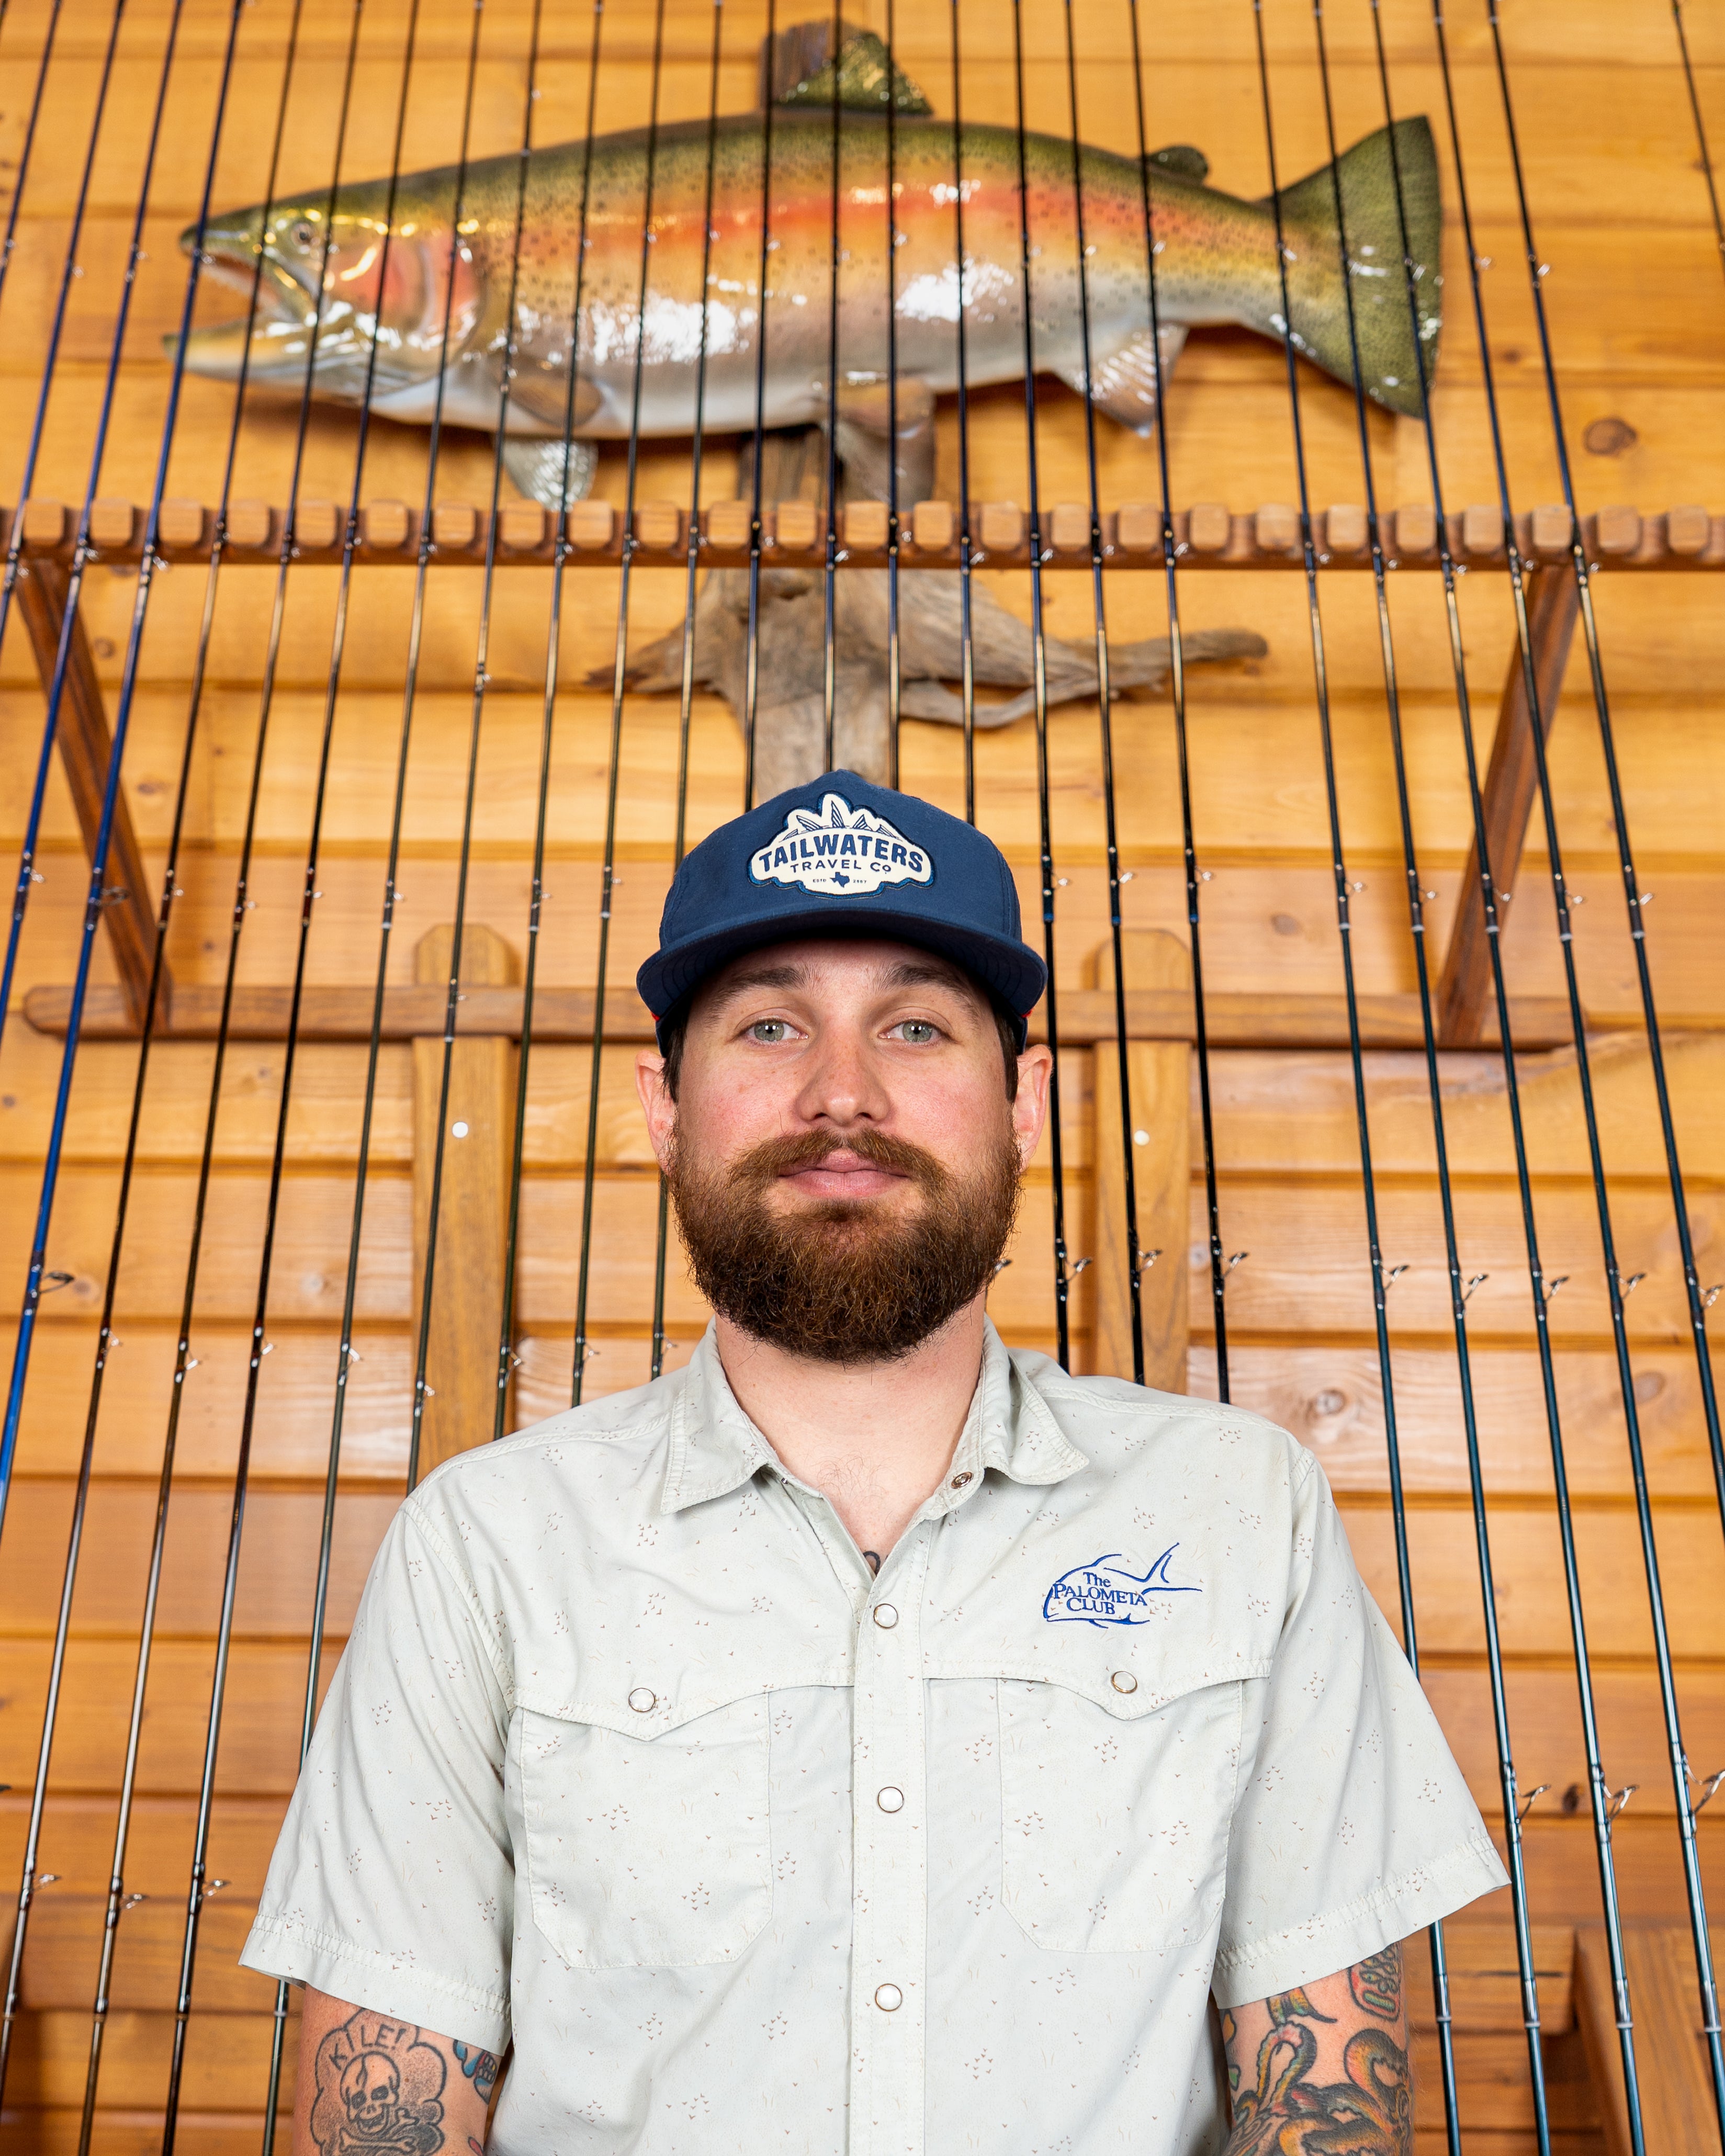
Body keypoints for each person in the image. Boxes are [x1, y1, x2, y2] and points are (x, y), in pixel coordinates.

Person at [243, 772, 1506, 2155]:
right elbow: (381, 2117)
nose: (841, 1092)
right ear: (664, 1104)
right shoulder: (486, 1546)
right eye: (770, 1026)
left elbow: (1324, 2100)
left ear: (1023, 1099)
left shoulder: (1239, 1513)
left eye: (914, 1026)